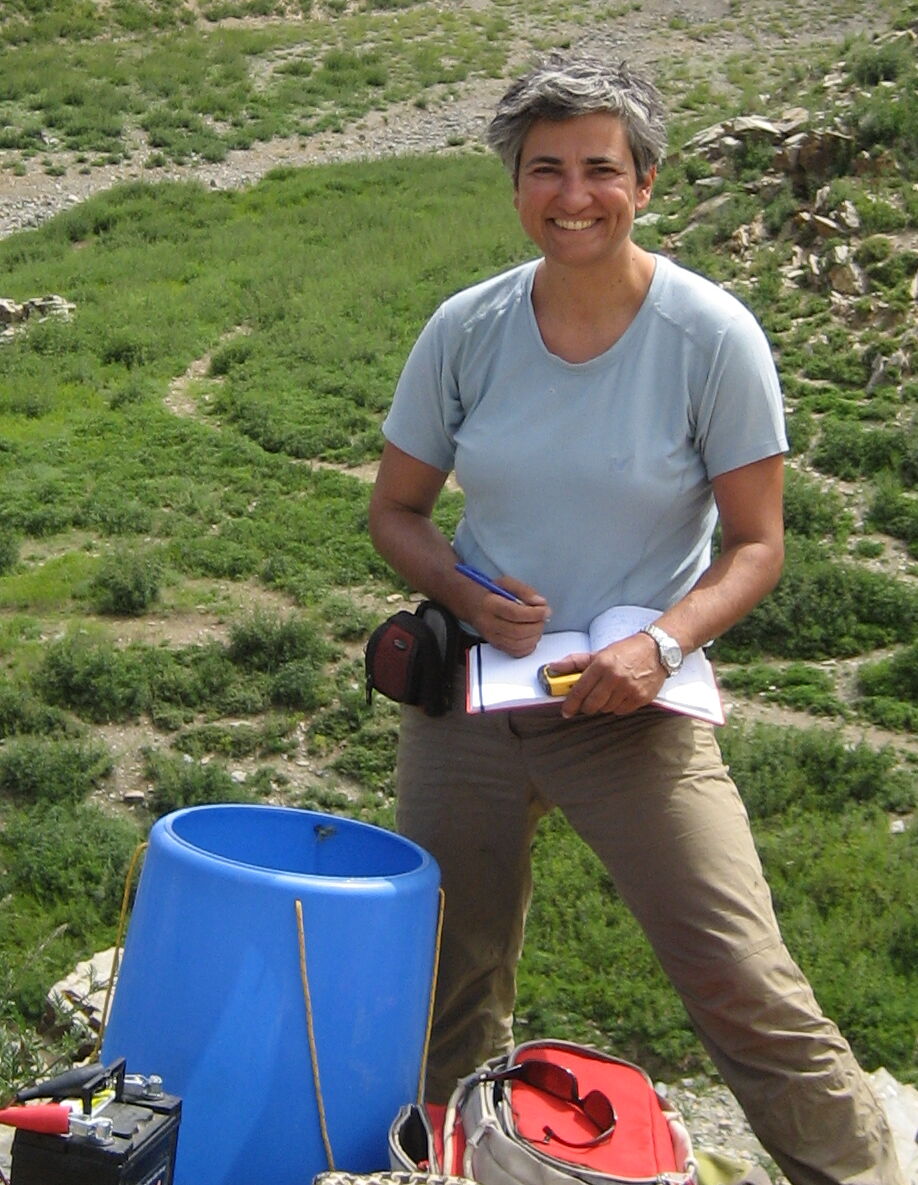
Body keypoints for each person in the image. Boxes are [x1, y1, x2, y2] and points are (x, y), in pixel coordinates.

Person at [368, 52, 904, 1185]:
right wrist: (467, 596)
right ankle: (453, 1165)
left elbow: (759, 543)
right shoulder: (465, 330)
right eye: (545, 168)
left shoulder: (712, 337)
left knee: (737, 974)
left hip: (636, 706)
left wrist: (658, 644)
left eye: (600, 169)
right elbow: (399, 512)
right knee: (445, 980)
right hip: (472, 699)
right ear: (515, 186)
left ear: (646, 183)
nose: (573, 195)